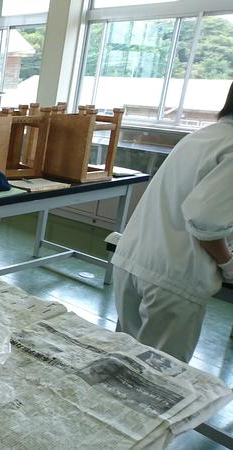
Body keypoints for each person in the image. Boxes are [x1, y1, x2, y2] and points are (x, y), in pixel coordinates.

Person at [112, 81, 233, 363]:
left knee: (123, 364)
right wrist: (228, 264)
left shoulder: (204, 136)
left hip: (134, 259)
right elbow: (205, 221)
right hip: (173, 276)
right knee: (159, 376)